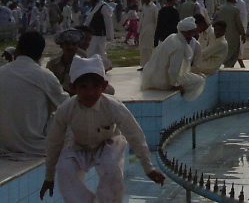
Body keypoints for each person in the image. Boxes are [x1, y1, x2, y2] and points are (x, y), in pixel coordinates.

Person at [40, 55, 166, 203]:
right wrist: (49, 177)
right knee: (65, 168)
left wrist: (148, 167)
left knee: (111, 168)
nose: (90, 93)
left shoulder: (114, 107)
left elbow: (135, 135)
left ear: (104, 86)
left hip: (108, 144)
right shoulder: (66, 110)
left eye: (95, 86)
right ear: (73, 87)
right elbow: (54, 142)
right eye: (83, 87)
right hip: (78, 146)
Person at [0, 31, 69, 158]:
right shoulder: (44, 75)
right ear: (40, 54)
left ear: (18, 49)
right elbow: (68, 107)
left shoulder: (2, 72)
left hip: (4, 144)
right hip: (34, 146)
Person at [141, 17, 206, 101]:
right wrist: (177, 86)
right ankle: (185, 101)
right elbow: (173, 71)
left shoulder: (172, 37)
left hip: (151, 79)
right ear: (182, 32)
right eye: (188, 33)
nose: (190, 36)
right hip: (162, 82)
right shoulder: (179, 47)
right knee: (200, 81)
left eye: (192, 33)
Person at [46, 29, 87, 94]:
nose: (70, 47)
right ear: (61, 46)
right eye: (67, 44)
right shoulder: (52, 64)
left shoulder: (83, 64)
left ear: (77, 46)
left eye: (74, 44)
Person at [85, 0, 114, 71]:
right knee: (99, 51)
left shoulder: (103, 7)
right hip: (93, 33)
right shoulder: (94, 7)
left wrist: (109, 34)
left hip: (100, 33)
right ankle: (106, 66)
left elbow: (108, 22)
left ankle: (93, 66)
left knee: (93, 50)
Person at [217, 0, 246, 67]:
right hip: (233, 34)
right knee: (233, 53)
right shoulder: (235, 9)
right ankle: (229, 68)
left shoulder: (220, 8)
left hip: (222, 34)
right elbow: (238, 23)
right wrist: (243, 34)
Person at [138, 0, 158, 68]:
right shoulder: (144, 7)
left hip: (150, 29)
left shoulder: (153, 7)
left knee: (149, 48)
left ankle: (149, 65)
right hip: (143, 28)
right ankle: (143, 65)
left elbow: (156, 19)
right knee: (143, 47)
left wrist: (156, 30)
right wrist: (138, 30)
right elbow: (141, 19)